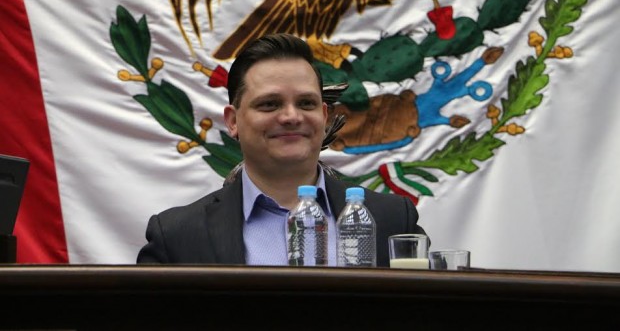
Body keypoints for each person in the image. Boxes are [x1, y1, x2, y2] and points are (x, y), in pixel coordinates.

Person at [137, 33, 426, 267]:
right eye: (270, 104)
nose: (291, 116)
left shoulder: (392, 219)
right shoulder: (176, 236)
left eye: (306, 103)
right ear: (233, 121)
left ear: (324, 116)